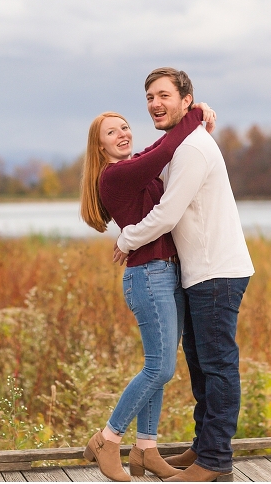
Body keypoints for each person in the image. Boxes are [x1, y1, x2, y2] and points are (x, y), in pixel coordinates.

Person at [114, 67, 254, 482]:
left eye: (163, 96)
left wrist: (127, 239)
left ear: (185, 98)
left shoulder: (193, 149)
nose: (155, 104)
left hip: (216, 271)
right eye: (149, 98)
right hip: (200, 272)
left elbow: (168, 213)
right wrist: (197, 113)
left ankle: (215, 461)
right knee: (201, 364)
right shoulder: (182, 143)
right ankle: (203, 447)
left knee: (217, 365)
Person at [79, 102, 216, 481]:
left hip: (168, 274)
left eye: (124, 127)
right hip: (148, 276)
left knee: (159, 369)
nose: (122, 133)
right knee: (160, 368)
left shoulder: (133, 169)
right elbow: (166, 149)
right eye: (112, 132)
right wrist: (196, 112)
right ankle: (108, 438)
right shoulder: (114, 176)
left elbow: (170, 161)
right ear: (99, 147)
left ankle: (146, 449)